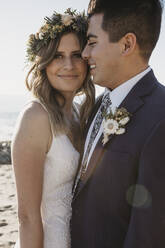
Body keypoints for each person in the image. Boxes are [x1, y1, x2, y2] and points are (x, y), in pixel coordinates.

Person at [71, 0, 165, 247]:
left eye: (92, 43)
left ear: (126, 44)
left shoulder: (161, 116)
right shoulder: (95, 104)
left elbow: (148, 234)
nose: (84, 54)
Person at [12, 8, 95, 248]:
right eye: (58, 55)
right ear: (44, 63)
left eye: (76, 54)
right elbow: (27, 217)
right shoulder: (35, 117)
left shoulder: (80, 113)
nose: (68, 65)